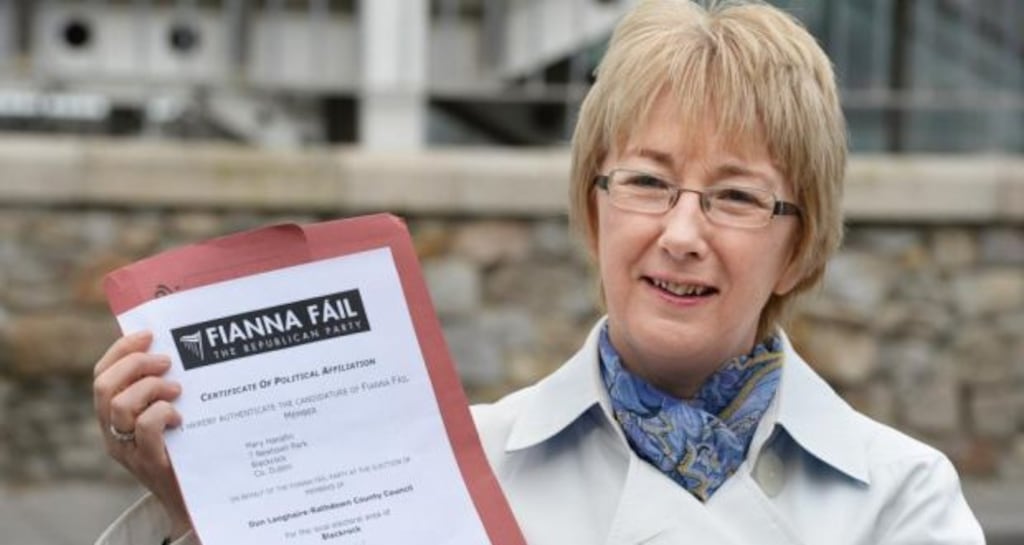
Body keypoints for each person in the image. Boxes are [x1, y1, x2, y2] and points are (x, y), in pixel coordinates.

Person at [92, 1, 985, 544]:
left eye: (737, 197)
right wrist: (203, 505)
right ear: (593, 206)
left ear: (801, 242)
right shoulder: (454, 467)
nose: (680, 232)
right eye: (645, 181)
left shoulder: (904, 495)